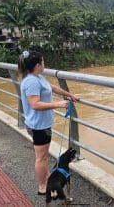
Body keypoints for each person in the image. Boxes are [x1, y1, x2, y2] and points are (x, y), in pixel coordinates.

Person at [18, 50, 79, 195]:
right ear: (38, 65)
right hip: (38, 126)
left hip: (41, 124)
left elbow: (54, 88)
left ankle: (46, 178)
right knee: (41, 158)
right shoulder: (32, 81)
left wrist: (71, 96)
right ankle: (42, 186)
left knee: (43, 156)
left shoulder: (37, 77)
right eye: (43, 62)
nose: (45, 64)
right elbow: (35, 104)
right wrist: (58, 104)